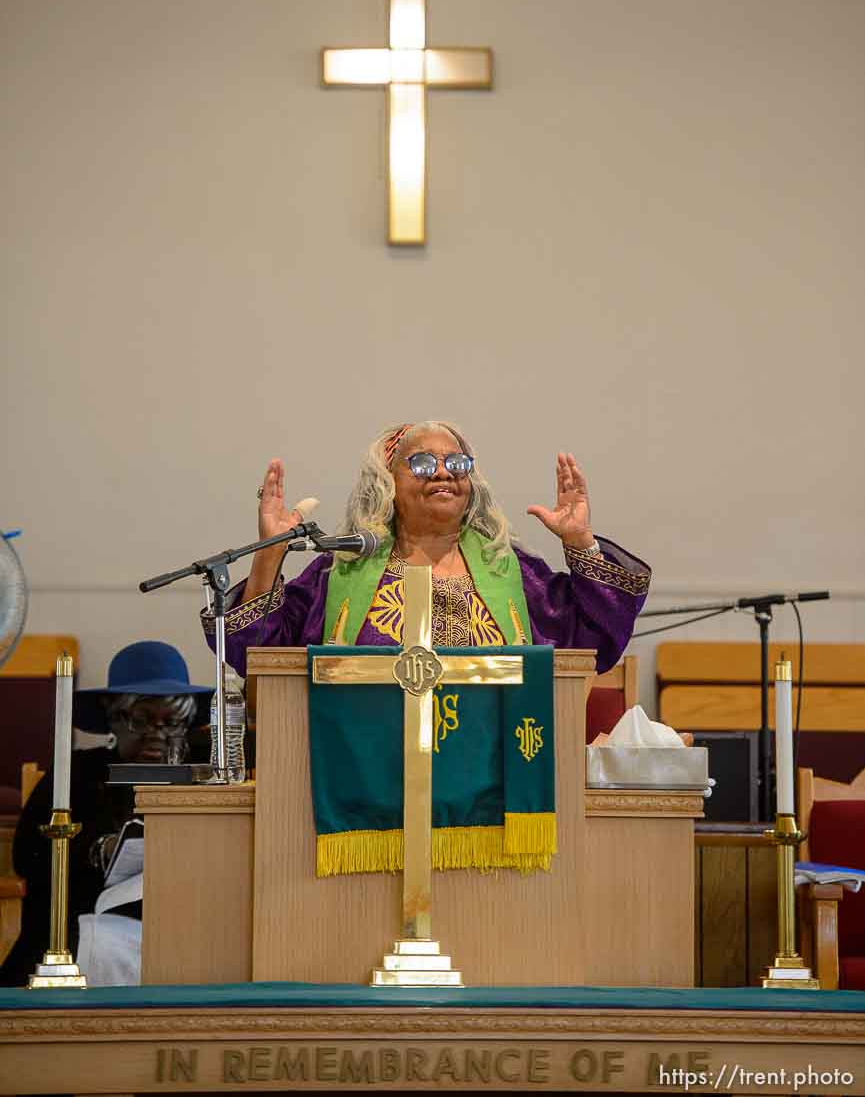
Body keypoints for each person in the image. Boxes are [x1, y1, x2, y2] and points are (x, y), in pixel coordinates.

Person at [203, 421, 650, 670]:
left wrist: (580, 542)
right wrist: (269, 552)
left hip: (493, 780)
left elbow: (598, 638)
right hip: (370, 782)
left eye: (456, 462)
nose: (443, 472)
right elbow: (252, 649)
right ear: (385, 483)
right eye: (420, 463)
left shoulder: (509, 571)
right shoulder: (340, 573)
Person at [0, 641, 211, 988]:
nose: (157, 734)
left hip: (175, 927)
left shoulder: (200, 780)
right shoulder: (77, 772)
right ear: (114, 718)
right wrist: (99, 850)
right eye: (141, 720)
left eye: (172, 721)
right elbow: (28, 856)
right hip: (82, 926)